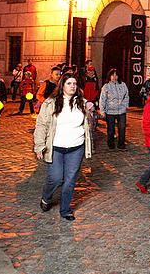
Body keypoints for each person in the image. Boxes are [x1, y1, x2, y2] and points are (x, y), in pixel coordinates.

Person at [34, 75, 93, 221]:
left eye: (74, 83)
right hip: (56, 147)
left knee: (70, 179)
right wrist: (39, 145)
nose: (72, 86)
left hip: (76, 147)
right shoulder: (51, 103)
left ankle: (65, 209)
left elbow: (88, 125)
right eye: (69, 83)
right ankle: (46, 198)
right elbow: (41, 125)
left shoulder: (82, 103)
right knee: (55, 178)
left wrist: (91, 115)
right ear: (62, 86)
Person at [99, 68, 130, 149]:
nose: (114, 77)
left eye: (116, 75)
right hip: (110, 111)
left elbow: (126, 96)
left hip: (121, 111)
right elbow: (102, 99)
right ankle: (111, 143)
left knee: (122, 128)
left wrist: (125, 105)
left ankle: (121, 144)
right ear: (109, 76)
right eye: (112, 75)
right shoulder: (106, 86)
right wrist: (102, 110)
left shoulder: (123, 85)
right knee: (111, 129)